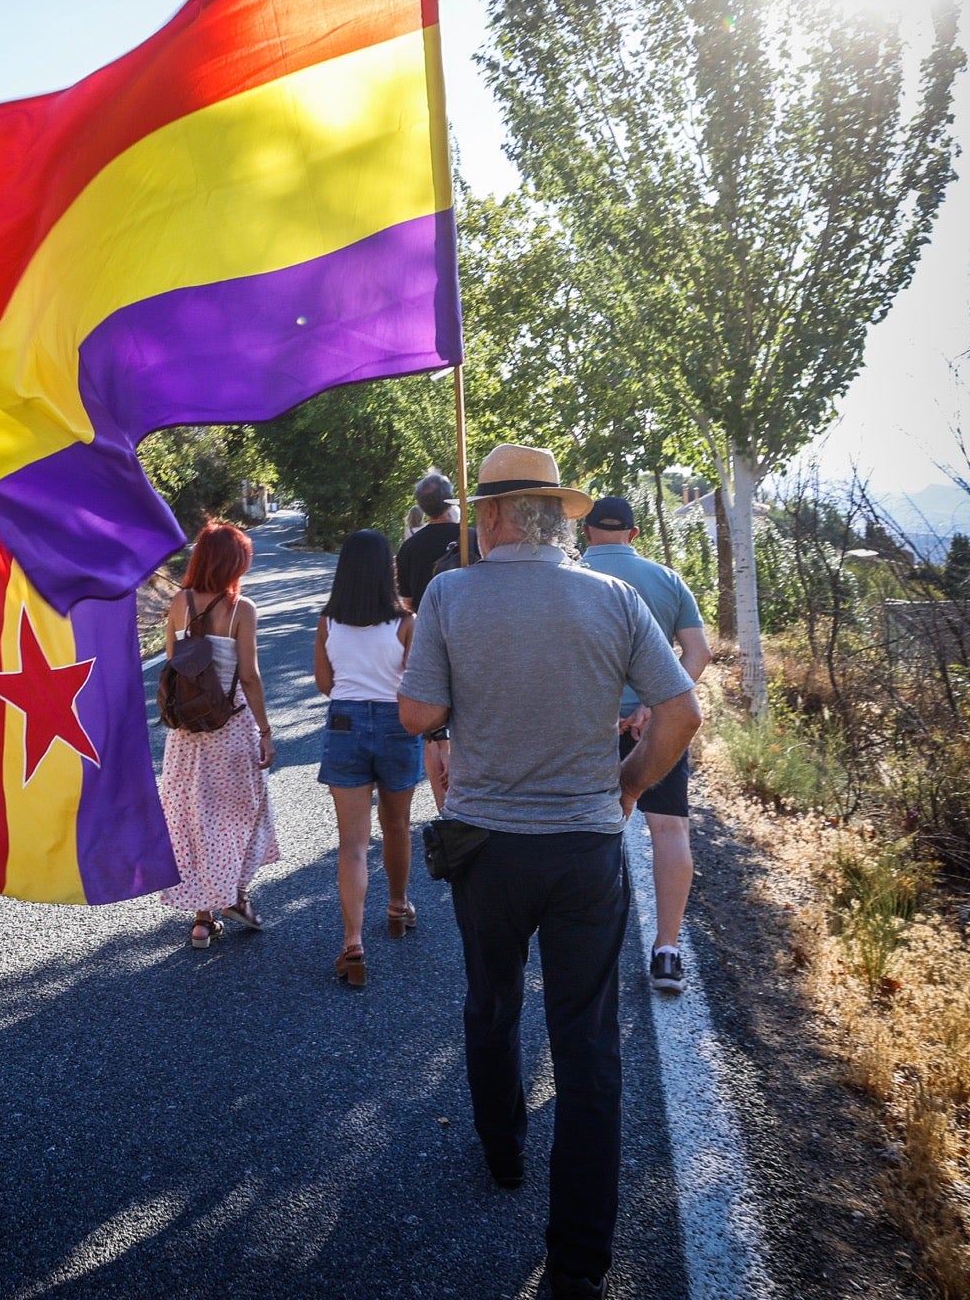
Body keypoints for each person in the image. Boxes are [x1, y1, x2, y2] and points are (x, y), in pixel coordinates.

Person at [398, 444, 701, 1300]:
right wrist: (630, 786)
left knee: (490, 1004)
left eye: (479, 513)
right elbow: (680, 711)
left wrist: (454, 681)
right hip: (583, 847)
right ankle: (577, 1263)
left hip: (487, 847)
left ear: (491, 517)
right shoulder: (610, 597)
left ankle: (501, 1154)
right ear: (553, 515)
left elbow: (418, 712)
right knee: (587, 1044)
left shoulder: (450, 594)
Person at [581, 496, 712, 994]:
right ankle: (667, 951)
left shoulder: (574, 578)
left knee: (591, 830)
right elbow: (698, 652)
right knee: (670, 828)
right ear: (634, 535)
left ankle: (591, 947)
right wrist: (656, 705)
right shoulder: (668, 579)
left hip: (588, 726)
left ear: (587, 532)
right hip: (656, 725)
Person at [158, 521, 279, 947]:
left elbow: (177, 666)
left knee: (195, 822)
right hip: (230, 731)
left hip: (188, 735)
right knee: (241, 815)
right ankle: (237, 895)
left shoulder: (179, 602)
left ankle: (202, 919)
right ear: (233, 564)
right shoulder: (241, 610)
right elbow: (249, 675)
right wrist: (265, 730)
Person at [313, 530, 424, 988]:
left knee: (353, 843)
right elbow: (417, 684)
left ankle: (353, 944)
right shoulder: (406, 623)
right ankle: (398, 907)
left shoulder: (328, 622)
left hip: (345, 725)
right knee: (397, 825)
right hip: (398, 723)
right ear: (387, 568)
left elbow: (324, 683)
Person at [394, 470, 472, 611]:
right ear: (450, 500)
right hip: (467, 621)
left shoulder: (409, 547)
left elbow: (408, 601)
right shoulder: (471, 537)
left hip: (426, 624)